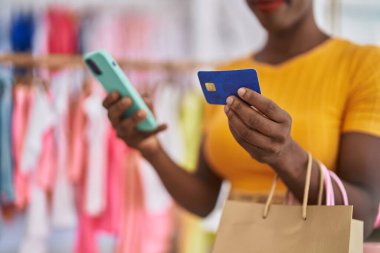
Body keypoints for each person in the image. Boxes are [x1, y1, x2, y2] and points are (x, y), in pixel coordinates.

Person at [102, 0, 380, 238]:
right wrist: (151, 149)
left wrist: (284, 156)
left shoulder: (364, 65)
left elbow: (362, 216)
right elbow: (204, 200)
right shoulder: (227, 74)